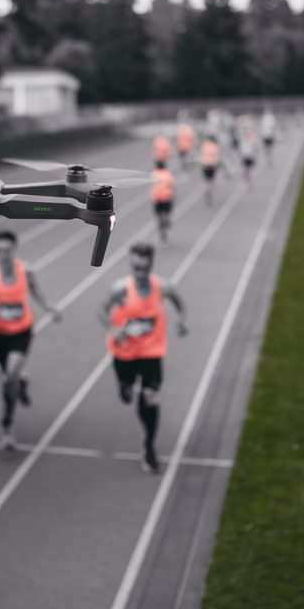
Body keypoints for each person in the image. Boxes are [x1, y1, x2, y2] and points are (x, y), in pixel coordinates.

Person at [0, 230, 62, 449]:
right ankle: (20, 381)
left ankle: (6, 424)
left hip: (21, 330)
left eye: (7, 251)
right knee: (7, 377)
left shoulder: (25, 270)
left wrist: (49, 308)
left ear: (14, 250)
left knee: (9, 375)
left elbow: (36, 291)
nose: (3, 255)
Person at [98, 242, 187, 475]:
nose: (139, 274)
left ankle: (149, 447)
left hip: (151, 351)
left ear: (151, 266)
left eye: (144, 269)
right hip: (125, 353)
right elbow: (101, 311)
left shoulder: (163, 287)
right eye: (135, 268)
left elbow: (179, 302)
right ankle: (125, 385)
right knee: (128, 395)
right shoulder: (120, 289)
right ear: (131, 265)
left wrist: (181, 320)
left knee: (150, 398)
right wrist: (113, 330)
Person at [150, 164, 176, 246]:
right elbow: (172, 185)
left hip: (157, 199)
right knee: (166, 216)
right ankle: (166, 226)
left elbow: (153, 185)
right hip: (167, 198)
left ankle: (163, 235)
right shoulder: (168, 174)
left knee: (159, 218)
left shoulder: (154, 173)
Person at [199, 138, 221, 206]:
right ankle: (210, 189)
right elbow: (217, 155)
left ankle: (207, 189)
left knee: (206, 180)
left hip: (205, 164)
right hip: (213, 165)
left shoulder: (204, 145)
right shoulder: (215, 146)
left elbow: (202, 154)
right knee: (212, 180)